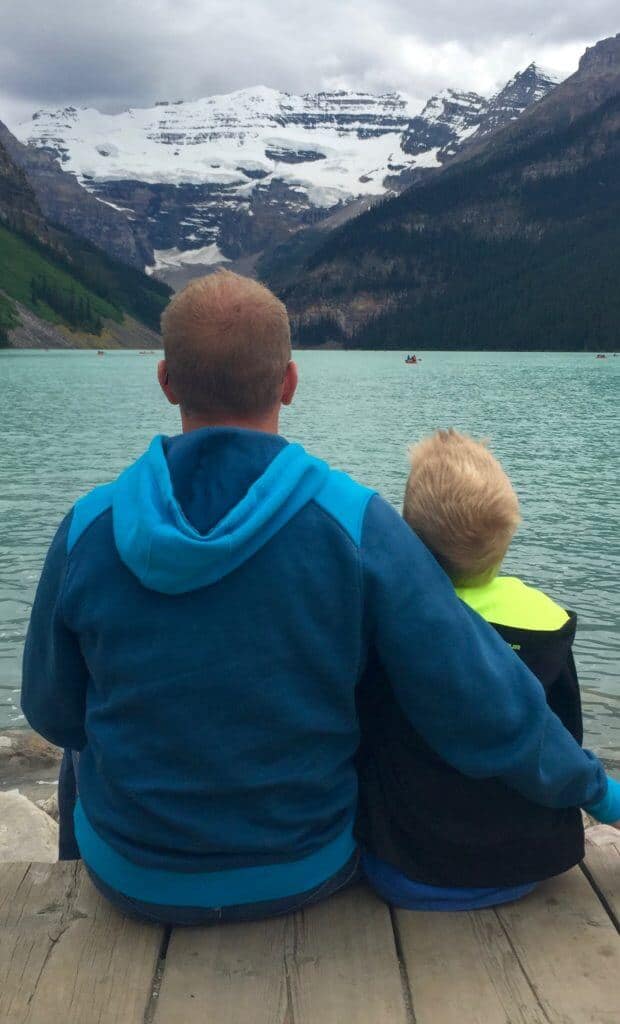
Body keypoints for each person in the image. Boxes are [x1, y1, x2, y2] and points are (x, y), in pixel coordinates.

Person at [21, 273, 619, 926]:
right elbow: (482, 702)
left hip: (131, 880)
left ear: (165, 381)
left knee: (87, 742)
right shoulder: (356, 522)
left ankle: (75, 871)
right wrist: (599, 792)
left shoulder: (88, 525)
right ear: (289, 383)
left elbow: (53, 712)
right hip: (304, 868)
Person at [357, 429, 619, 911]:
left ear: (410, 539)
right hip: (526, 865)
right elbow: (566, 729)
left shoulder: (393, 624)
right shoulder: (547, 621)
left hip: (404, 865)